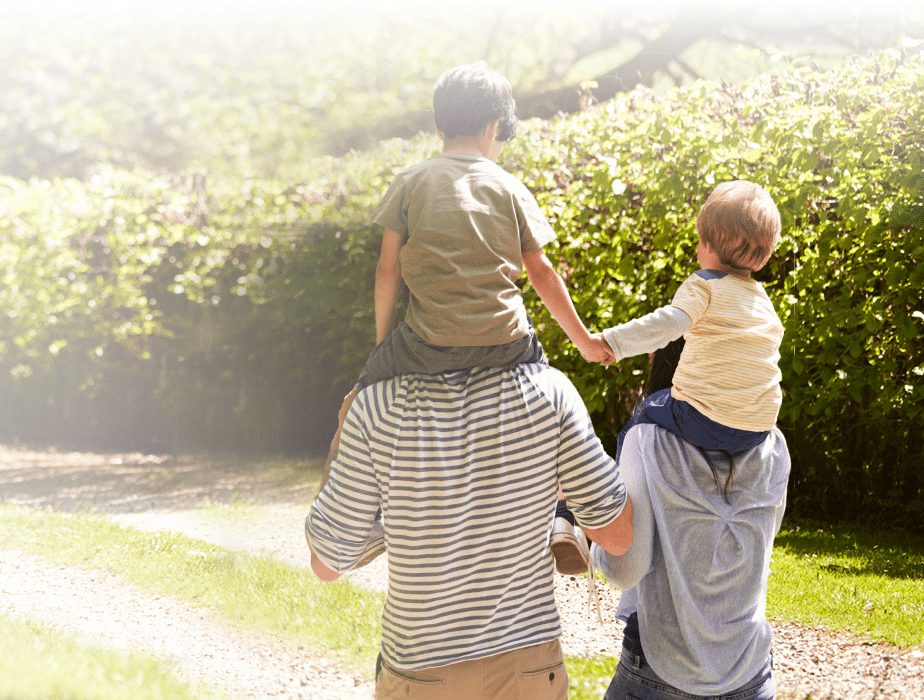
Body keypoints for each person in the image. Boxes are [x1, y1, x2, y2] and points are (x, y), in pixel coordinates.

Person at [326, 61, 612, 575]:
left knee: (356, 405)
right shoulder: (508, 186)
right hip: (507, 341)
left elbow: (387, 270)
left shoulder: (410, 182)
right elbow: (542, 273)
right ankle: (561, 519)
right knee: (557, 409)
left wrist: (381, 348)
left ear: (439, 126)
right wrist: (587, 340)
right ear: (491, 128)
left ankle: (365, 521)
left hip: (428, 342)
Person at [306, 362, 634, 700]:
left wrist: (344, 432)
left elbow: (327, 564)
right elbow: (618, 536)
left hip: (422, 672)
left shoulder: (376, 402)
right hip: (527, 669)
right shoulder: (549, 390)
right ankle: (558, 516)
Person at [591, 340, 790, 700]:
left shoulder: (646, 438)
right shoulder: (774, 445)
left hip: (661, 671)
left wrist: (596, 540)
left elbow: (626, 569)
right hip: (750, 674)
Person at [595, 180, 785, 457]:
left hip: (702, 420)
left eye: (698, 239)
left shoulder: (705, 284)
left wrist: (612, 342)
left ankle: (620, 487)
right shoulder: (762, 300)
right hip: (758, 427)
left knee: (642, 417)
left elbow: (670, 324)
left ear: (707, 244)